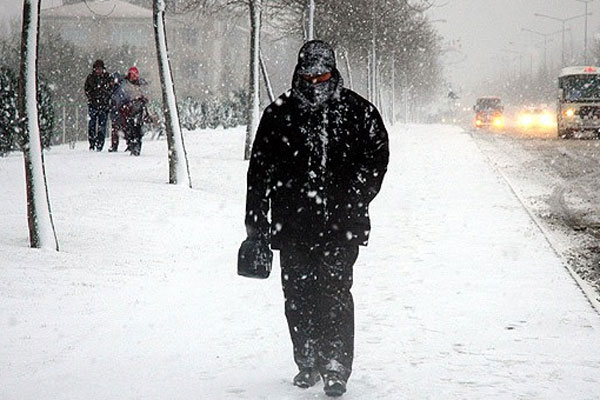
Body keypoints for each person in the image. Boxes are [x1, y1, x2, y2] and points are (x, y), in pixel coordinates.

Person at [241, 40, 389, 397]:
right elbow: (259, 175)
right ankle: (307, 359)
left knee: (334, 293)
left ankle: (336, 365)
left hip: (342, 227)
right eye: (308, 74)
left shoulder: (357, 112)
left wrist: (355, 196)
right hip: (292, 227)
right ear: (299, 71)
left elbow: (377, 158)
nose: (314, 81)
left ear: (332, 70)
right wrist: (256, 229)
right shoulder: (278, 114)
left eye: (321, 74)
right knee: (298, 295)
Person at [84, 59, 112, 151]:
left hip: (103, 106)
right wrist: (91, 97)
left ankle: (100, 144)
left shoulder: (107, 77)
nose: (98, 70)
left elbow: (111, 89)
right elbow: (87, 89)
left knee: (102, 126)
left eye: (100, 69)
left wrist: (106, 97)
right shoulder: (91, 78)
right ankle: (92, 143)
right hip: (93, 105)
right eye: (97, 69)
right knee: (92, 125)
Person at [120, 66, 148, 156]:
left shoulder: (141, 84)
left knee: (137, 129)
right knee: (129, 129)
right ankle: (131, 145)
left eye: (134, 75)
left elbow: (146, 96)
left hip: (139, 110)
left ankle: (136, 147)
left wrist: (141, 98)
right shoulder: (125, 84)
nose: (133, 77)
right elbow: (122, 96)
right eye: (131, 75)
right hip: (129, 110)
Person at [108, 72, 127, 152]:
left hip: (119, 111)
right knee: (117, 129)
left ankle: (115, 145)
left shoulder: (118, 89)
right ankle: (115, 145)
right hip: (117, 111)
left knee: (119, 129)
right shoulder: (117, 89)